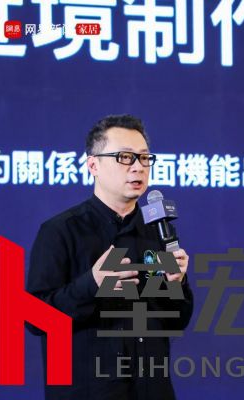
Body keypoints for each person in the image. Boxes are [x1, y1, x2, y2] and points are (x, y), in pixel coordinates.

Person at [27, 114, 193, 400]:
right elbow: (35, 318)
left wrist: (176, 283)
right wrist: (92, 285)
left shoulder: (158, 231)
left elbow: (177, 320)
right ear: (93, 165)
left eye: (144, 158)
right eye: (125, 157)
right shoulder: (60, 231)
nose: (138, 167)